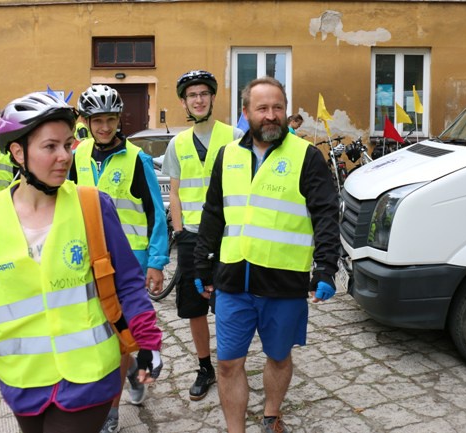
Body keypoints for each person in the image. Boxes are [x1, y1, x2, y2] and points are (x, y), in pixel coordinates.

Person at [0, 92, 164, 433]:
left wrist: (148, 341)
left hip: (89, 378)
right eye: (50, 147)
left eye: (68, 144)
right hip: (23, 382)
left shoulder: (92, 205)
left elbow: (127, 283)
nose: (64, 156)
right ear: (18, 152)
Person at [194, 77, 340, 433]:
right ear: (246, 113)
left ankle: (271, 414)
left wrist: (326, 267)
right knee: (228, 364)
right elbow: (214, 212)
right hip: (232, 281)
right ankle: (235, 430)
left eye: (278, 107)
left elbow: (326, 213)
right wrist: (200, 262)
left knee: (278, 356)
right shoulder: (227, 156)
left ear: (286, 111)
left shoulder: (306, 156)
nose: (271, 115)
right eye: (262, 108)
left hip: (284, 282)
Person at [70, 84, 169, 433]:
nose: (104, 127)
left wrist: (157, 261)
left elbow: (156, 213)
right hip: (84, 260)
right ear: (86, 121)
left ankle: (109, 412)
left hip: (130, 262)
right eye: (97, 120)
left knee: (116, 332)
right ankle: (130, 373)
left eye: (111, 119)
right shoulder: (75, 156)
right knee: (100, 332)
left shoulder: (136, 159)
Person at [161, 70, 244, 401]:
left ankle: (230, 365)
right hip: (193, 236)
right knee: (194, 306)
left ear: (212, 98)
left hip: (228, 234)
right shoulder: (177, 143)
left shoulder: (235, 135)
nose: (198, 100)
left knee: (229, 302)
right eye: (192, 95)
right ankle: (205, 366)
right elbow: (176, 193)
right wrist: (179, 232)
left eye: (204, 94)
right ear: (184, 102)